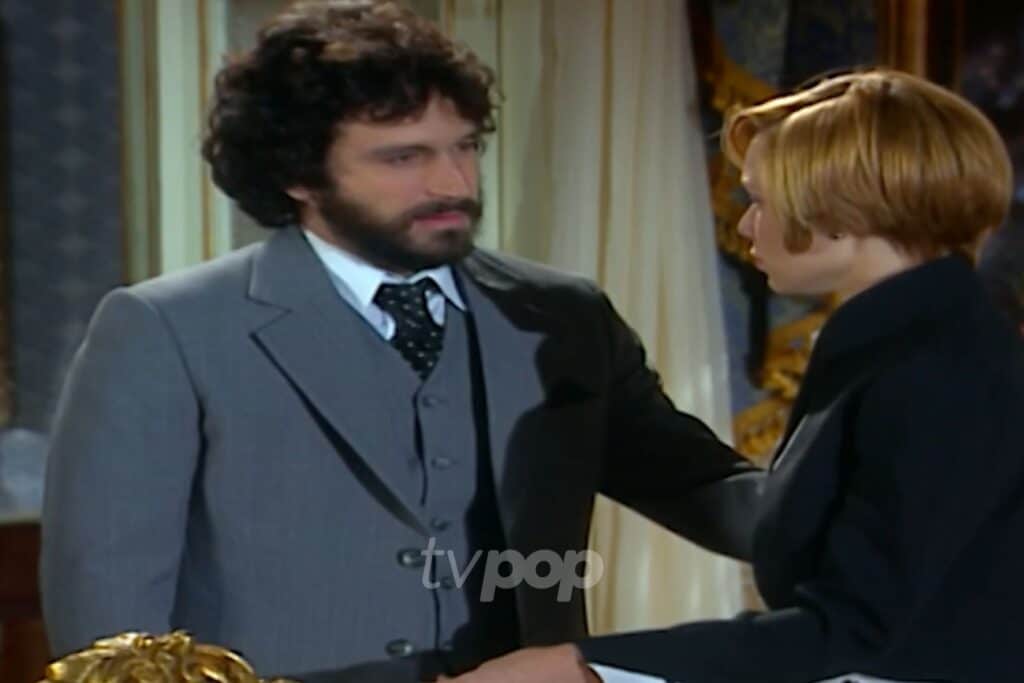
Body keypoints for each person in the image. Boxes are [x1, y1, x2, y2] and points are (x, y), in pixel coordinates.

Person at [39, 1, 761, 679]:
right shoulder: (166, 331)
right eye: (403, 157)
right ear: (297, 174)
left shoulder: (563, 317)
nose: (453, 183)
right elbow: (111, 633)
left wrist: (839, 473)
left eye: (465, 147)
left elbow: (706, 490)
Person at [449, 69, 1024, 683]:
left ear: (839, 216)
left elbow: (856, 628)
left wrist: (583, 667)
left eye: (761, 202)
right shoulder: (910, 341)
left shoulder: (936, 367)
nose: (747, 226)